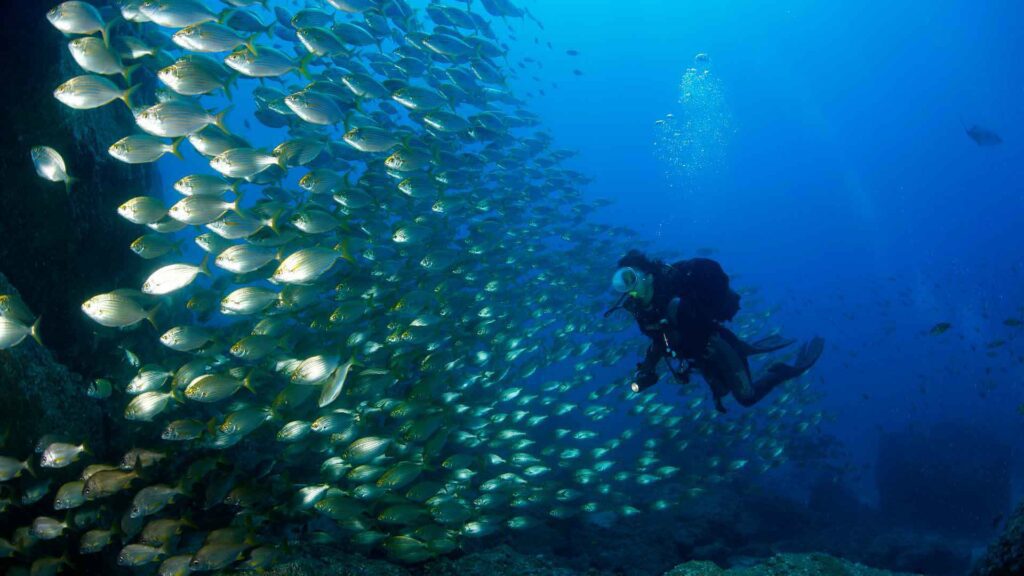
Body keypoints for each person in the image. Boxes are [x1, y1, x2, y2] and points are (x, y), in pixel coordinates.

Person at [607, 250, 823, 412]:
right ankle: (746, 351)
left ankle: (783, 371)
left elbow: (695, 333)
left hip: (715, 345)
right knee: (730, 389)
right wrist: (647, 368)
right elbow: (659, 338)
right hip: (698, 356)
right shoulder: (643, 310)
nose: (629, 289)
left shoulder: (674, 301)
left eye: (631, 279)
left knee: (747, 398)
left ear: (649, 276)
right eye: (623, 283)